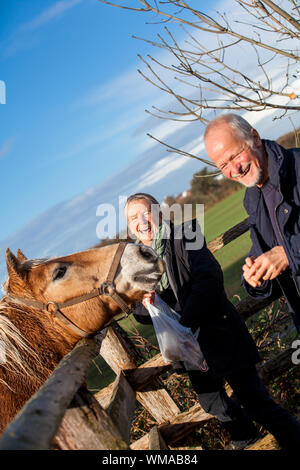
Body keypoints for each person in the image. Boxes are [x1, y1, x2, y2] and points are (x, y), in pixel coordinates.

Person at [125, 192, 300, 450]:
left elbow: (209, 280)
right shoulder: (138, 266)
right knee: (212, 403)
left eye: (145, 212)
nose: (141, 221)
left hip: (220, 333)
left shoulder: (186, 235)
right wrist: (146, 303)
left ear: (159, 214)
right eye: (132, 218)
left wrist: (184, 323)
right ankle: (247, 439)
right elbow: (141, 314)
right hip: (190, 351)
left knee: (256, 402)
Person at [204, 113, 300, 334]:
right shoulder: (252, 199)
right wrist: (254, 275)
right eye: (223, 165)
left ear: (254, 138)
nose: (234, 170)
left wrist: (287, 254)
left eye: (235, 155)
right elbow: (264, 252)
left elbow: (285, 255)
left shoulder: (297, 166)